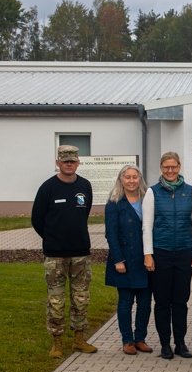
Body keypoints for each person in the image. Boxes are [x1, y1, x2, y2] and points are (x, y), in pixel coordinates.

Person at [31, 144, 97, 358]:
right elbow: (37, 219)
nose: (69, 164)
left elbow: (84, 214)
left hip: (80, 254)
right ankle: (57, 343)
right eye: (65, 161)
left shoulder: (85, 186)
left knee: (81, 298)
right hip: (55, 255)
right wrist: (52, 238)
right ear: (57, 163)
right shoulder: (48, 188)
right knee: (56, 301)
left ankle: (79, 340)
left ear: (78, 163)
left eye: (73, 161)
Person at [142, 151, 192, 360]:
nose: (170, 170)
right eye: (166, 167)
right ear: (161, 168)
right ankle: (165, 344)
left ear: (179, 167)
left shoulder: (191, 191)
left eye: (174, 167)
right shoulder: (152, 192)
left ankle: (180, 343)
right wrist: (148, 254)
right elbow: (147, 226)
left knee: (180, 301)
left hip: (184, 253)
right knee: (162, 302)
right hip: (161, 253)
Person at [104, 164, 152, 355]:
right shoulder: (114, 203)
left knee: (145, 303)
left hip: (145, 258)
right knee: (125, 301)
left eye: (135, 177)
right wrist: (118, 260)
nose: (131, 181)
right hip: (124, 259)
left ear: (139, 179)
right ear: (121, 180)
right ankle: (127, 340)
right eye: (127, 177)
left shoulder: (147, 200)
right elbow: (111, 234)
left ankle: (140, 338)